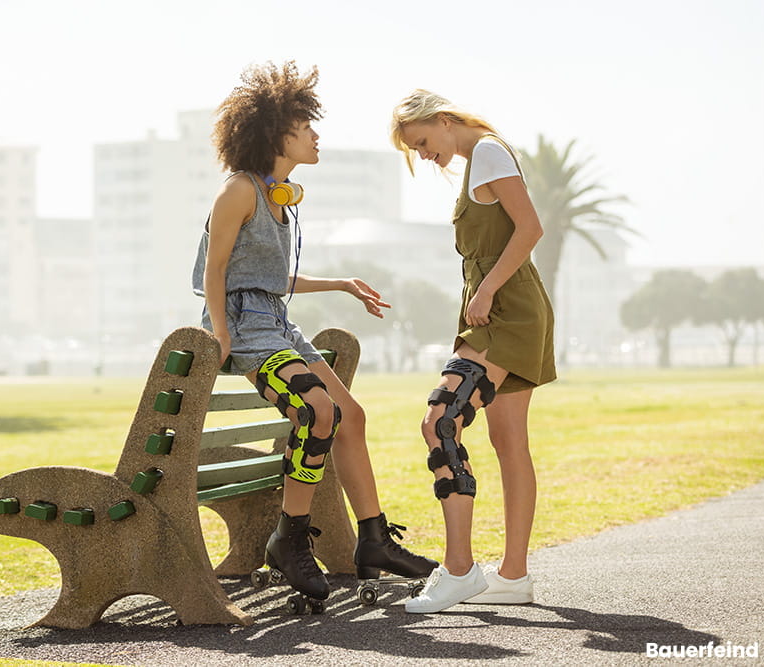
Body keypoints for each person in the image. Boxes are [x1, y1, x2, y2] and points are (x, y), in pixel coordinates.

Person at [192, 62, 437, 602]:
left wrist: (342, 284)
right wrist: (221, 335)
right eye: (306, 127)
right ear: (278, 134)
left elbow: (269, 280)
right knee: (318, 410)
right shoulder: (238, 192)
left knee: (351, 415)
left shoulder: (277, 196)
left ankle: (373, 538)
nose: (316, 135)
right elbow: (216, 271)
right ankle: (290, 540)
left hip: (275, 323)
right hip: (246, 329)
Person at [388, 90, 557, 613]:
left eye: (421, 142)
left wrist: (485, 293)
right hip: (495, 311)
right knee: (508, 443)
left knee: (441, 419)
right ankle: (513, 576)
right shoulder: (478, 160)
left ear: (441, 121)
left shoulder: (485, 151)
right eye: (414, 151)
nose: (423, 155)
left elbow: (530, 227)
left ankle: (459, 570)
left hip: (506, 311)